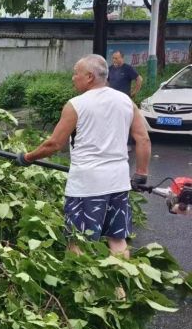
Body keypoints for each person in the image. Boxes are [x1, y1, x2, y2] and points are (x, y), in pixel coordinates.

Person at [16, 54, 151, 256]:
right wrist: (141, 174)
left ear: (89, 77)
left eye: (75, 73)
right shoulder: (126, 101)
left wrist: (27, 157)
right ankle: (121, 284)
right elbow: (143, 139)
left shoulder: (76, 105)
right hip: (118, 182)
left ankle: (82, 287)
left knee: (77, 241)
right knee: (117, 240)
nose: (73, 77)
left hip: (87, 186)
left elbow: (54, 144)